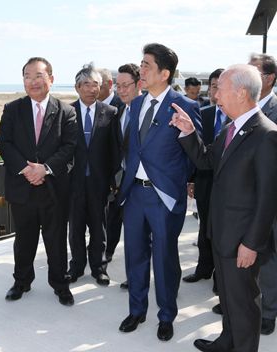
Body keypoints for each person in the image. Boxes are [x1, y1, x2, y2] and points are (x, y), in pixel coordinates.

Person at [171, 64, 277, 352]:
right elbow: (206, 161)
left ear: (241, 92)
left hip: (243, 241)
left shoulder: (266, 135)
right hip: (221, 234)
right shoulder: (231, 128)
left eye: (220, 89)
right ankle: (227, 341)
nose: (215, 95)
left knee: (243, 303)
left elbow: (268, 198)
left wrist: (251, 244)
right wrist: (189, 132)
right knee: (229, 299)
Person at [117, 43, 201, 341]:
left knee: (165, 259)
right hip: (134, 195)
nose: (141, 69)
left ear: (164, 73)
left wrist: (182, 182)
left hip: (163, 197)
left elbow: (197, 154)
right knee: (134, 256)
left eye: (147, 65)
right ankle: (137, 310)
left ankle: (166, 315)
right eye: (141, 63)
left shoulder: (186, 106)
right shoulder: (136, 104)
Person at [0, 57, 77, 306]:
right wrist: (26, 169)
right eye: (28, 76)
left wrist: (45, 169)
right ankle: (21, 281)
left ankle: (60, 284)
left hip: (54, 188)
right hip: (22, 188)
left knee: (56, 241)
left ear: (51, 79)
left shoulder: (66, 111)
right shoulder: (12, 109)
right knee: (24, 240)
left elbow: (69, 146)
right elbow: (5, 144)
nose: (33, 81)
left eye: (39, 76)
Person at [66, 63, 120, 286]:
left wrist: (113, 181)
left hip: (100, 182)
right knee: (76, 227)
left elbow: (115, 150)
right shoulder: (66, 112)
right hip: (73, 182)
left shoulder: (110, 113)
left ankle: (99, 268)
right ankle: (76, 266)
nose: (91, 88)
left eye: (95, 84)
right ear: (77, 87)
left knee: (100, 228)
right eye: (86, 84)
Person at [183, 69, 225, 287]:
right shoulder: (203, 112)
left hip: (228, 186)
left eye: (221, 85)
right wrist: (191, 179)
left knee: (222, 232)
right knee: (204, 228)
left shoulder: (236, 117)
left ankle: (221, 279)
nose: (216, 90)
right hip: (205, 179)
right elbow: (194, 150)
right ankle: (204, 268)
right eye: (214, 85)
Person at [105, 63, 142, 290]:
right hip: (121, 182)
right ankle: (134, 277)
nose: (120, 90)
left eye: (125, 85)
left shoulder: (146, 110)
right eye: (117, 85)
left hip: (142, 185)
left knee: (146, 238)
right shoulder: (120, 110)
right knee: (132, 237)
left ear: (139, 84)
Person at [249, 53, 277, 335]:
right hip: (243, 198)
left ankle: (269, 311)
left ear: (269, 78)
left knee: (267, 256)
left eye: (254, 70)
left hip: (270, 199)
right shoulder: (242, 107)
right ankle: (247, 303)